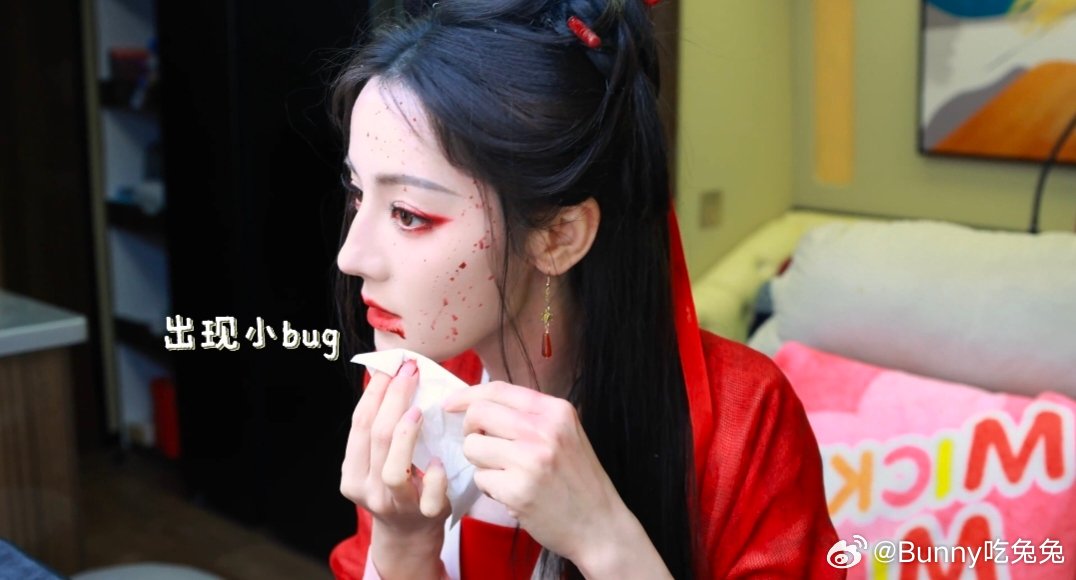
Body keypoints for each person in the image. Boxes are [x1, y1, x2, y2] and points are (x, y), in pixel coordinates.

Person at [328, 0, 841, 578]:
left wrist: (603, 537)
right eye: (357, 194)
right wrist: (401, 546)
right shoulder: (416, 394)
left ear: (558, 235)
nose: (351, 256)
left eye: (408, 214)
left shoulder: (742, 421)